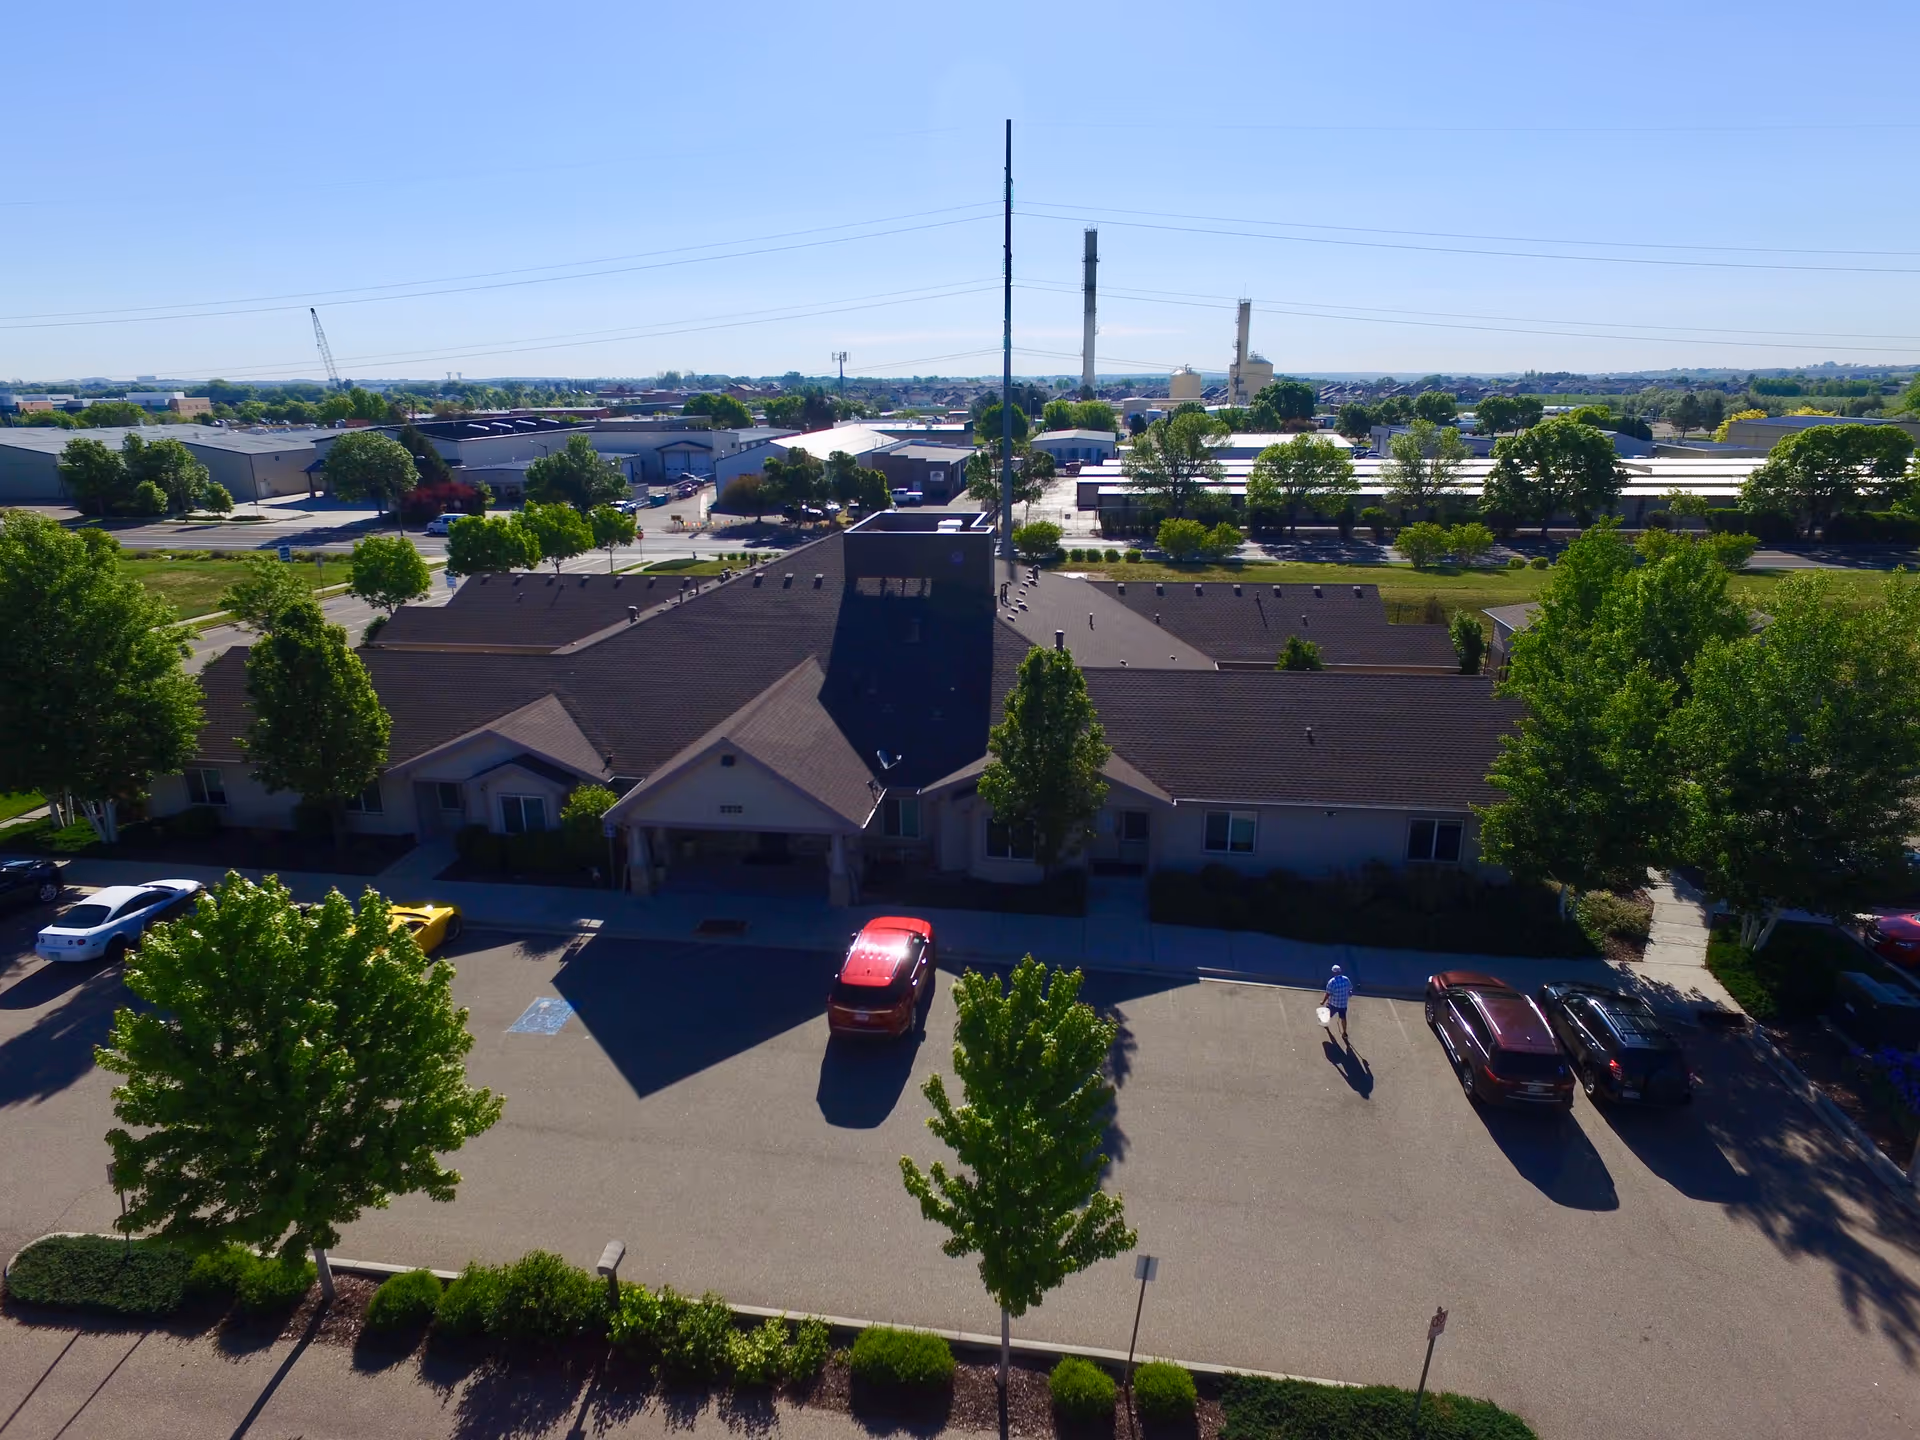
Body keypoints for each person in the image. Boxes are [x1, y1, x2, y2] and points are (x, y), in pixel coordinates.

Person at [1321, 964, 1354, 1045]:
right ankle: (1344, 1032)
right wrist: (1348, 993)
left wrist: (1323, 1001)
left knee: (1328, 1013)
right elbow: (1350, 988)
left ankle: (1325, 1024)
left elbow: (1328, 993)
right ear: (1340, 971)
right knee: (1343, 1018)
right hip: (1343, 1004)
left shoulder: (1331, 982)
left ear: (1333, 972)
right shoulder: (1346, 979)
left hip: (1333, 1003)